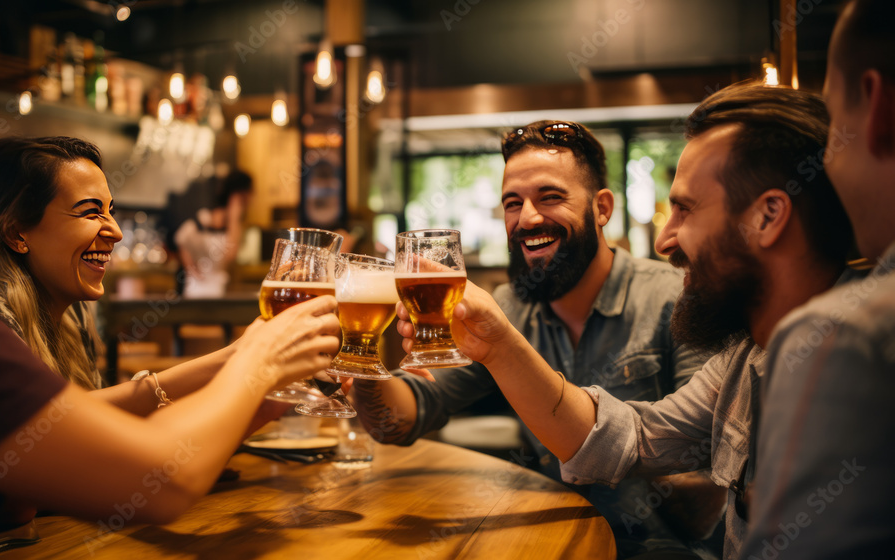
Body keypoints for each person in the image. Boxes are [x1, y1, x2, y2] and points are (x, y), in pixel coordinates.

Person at [0, 4, 340, 557]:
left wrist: (242, 364)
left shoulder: (59, 313)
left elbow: (73, 428)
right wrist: (258, 362)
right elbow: (156, 478)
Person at [392, 82, 856, 560]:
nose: (665, 240)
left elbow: (701, 508)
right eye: (513, 203)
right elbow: (627, 439)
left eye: (686, 209)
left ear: (768, 215)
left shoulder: (862, 358)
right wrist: (495, 343)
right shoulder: (744, 354)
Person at [353, 119, 715, 557]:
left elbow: (707, 485)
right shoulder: (508, 308)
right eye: (512, 203)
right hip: (557, 546)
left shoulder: (675, 298)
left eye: (550, 197)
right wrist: (358, 360)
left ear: (602, 209)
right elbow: (402, 420)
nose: (527, 218)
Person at [0, 136, 288, 417]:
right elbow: (63, 427)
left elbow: (99, 438)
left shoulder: (70, 318)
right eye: (91, 212)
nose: (117, 232)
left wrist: (266, 403)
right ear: (16, 233)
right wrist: (240, 356)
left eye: (110, 211)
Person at [740, 0, 895, 557]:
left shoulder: (842, 338)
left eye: (836, 122)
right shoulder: (736, 359)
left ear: (877, 107)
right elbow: (632, 437)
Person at [172, 170, 254, 298]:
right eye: (251, 193)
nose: (252, 198)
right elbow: (230, 255)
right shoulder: (213, 220)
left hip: (217, 290)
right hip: (199, 291)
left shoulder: (229, 223)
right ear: (240, 195)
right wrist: (193, 271)